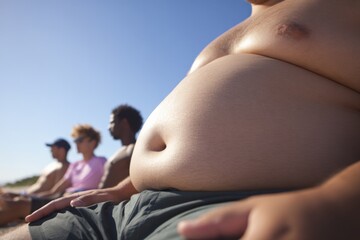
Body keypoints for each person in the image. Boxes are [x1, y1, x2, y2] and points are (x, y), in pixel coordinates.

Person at [5, 0, 360, 239]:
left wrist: (336, 202)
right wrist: (121, 188)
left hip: (236, 208)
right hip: (124, 206)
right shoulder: (228, 34)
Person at [1, 124, 106, 226]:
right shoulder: (74, 165)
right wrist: (31, 197)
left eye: (79, 140)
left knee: (18, 205)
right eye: (75, 140)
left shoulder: (101, 161)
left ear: (92, 142)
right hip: (63, 200)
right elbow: (54, 191)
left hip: (78, 203)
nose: (76, 143)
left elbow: (105, 188)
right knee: (17, 201)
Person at [0, 138, 71, 225]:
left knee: (10, 202)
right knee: (5, 196)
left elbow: (55, 193)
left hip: (34, 198)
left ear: (62, 149)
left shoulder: (65, 167)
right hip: (28, 194)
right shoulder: (53, 165)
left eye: (53, 147)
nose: (50, 150)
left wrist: (26, 196)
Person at [98, 104, 143, 189]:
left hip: (114, 201)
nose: (108, 127)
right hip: (99, 199)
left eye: (112, 122)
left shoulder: (134, 149)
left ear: (124, 123)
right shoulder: (122, 151)